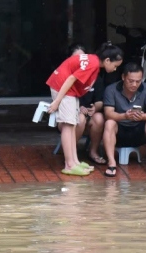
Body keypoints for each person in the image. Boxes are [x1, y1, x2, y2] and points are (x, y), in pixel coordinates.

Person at [44, 44, 122, 176]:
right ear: (107, 60)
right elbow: (71, 78)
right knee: (68, 125)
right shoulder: (92, 64)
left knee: (72, 124)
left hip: (69, 90)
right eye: (115, 66)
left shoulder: (94, 62)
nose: (115, 69)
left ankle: (75, 162)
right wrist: (57, 101)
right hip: (63, 87)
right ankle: (69, 165)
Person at [100, 64, 146, 178]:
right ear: (123, 77)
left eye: (138, 81)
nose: (134, 84)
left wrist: (143, 116)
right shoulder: (111, 89)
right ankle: (111, 163)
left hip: (139, 129)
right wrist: (124, 116)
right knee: (109, 123)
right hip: (119, 130)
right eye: (131, 81)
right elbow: (108, 113)